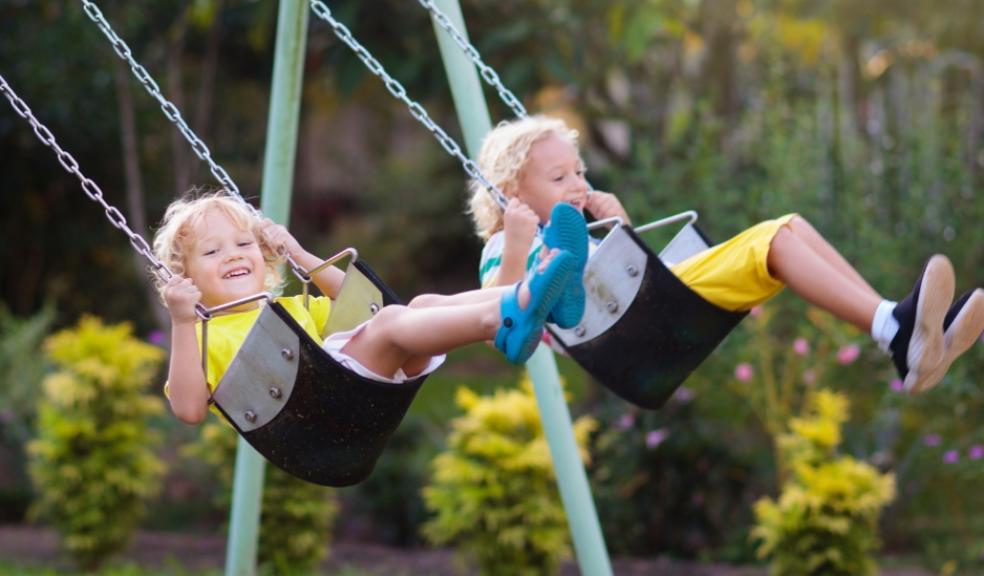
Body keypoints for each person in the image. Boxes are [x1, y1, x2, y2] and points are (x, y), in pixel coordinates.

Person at [468, 115, 984, 395]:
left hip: (650, 307)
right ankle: (896, 332)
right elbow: (498, 314)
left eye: (579, 171)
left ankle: (903, 334)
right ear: (510, 191)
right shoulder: (503, 243)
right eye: (559, 178)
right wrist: (515, 242)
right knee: (773, 239)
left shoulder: (587, 235)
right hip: (623, 332)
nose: (578, 184)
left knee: (790, 228)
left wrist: (621, 226)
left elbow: (626, 275)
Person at [153, 192, 584, 424]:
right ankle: (507, 316)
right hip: (322, 411)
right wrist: (181, 319)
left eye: (244, 244)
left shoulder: (286, 307)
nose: (232, 255)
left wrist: (302, 256)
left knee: (420, 305)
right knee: (396, 321)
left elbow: (365, 308)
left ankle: (538, 296)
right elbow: (189, 410)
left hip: (357, 383)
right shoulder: (201, 337)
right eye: (212, 251)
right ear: (185, 279)